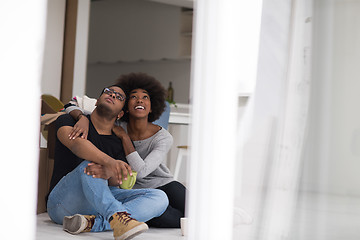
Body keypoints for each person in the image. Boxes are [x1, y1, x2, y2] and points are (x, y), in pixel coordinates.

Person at [46, 84, 169, 240]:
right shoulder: (70, 120)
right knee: (91, 166)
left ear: (120, 114)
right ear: (97, 101)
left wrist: (110, 173)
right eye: (109, 92)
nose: (112, 96)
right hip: (61, 202)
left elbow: (118, 180)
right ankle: (117, 217)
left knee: (159, 197)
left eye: (119, 97)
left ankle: (93, 223)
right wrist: (109, 163)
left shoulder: (118, 142)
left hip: (95, 206)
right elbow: (76, 144)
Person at [65, 73, 186, 228]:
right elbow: (71, 105)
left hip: (164, 183)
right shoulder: (116, 124)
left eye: (145, 97)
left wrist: (125, 138)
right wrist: (81, 118)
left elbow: (142, 171)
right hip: (136, 190)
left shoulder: (162, 137)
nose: (140, 100)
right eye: (134, 97)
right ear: (125, 108)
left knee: (195, 213)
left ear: (151, 106)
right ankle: (101, 221)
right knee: (174, 220)